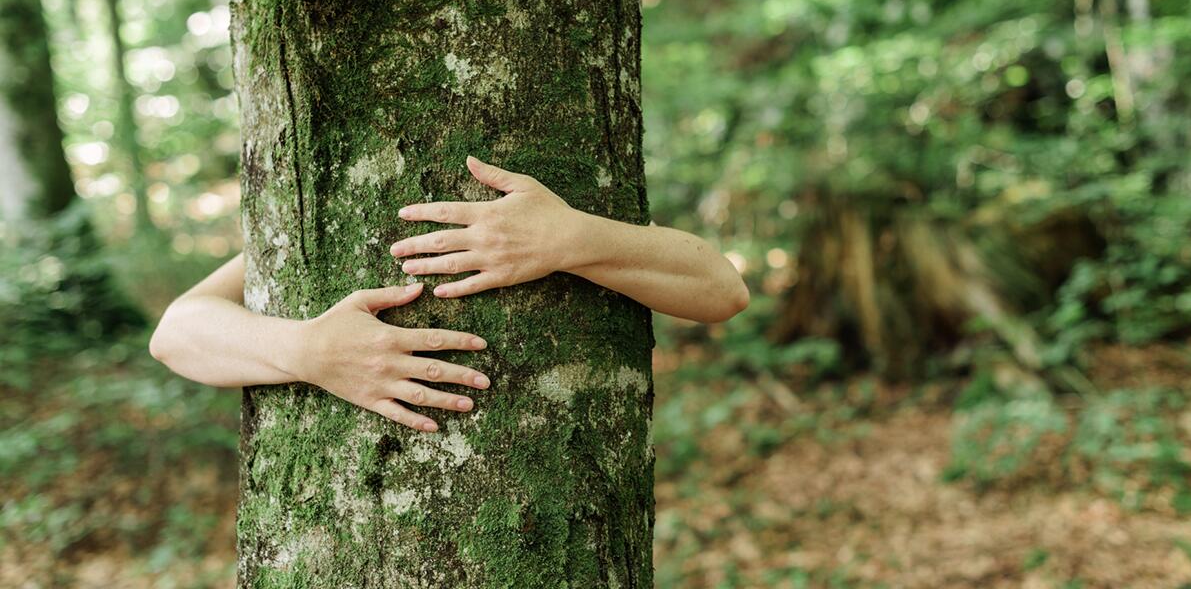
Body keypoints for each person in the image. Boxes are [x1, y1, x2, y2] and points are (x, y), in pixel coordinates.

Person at [150, 156, 749, 433]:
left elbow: (721, 290)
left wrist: (572, 237)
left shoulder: (559, 211)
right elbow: (176, 335)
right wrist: (308, 350)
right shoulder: (311, 223)